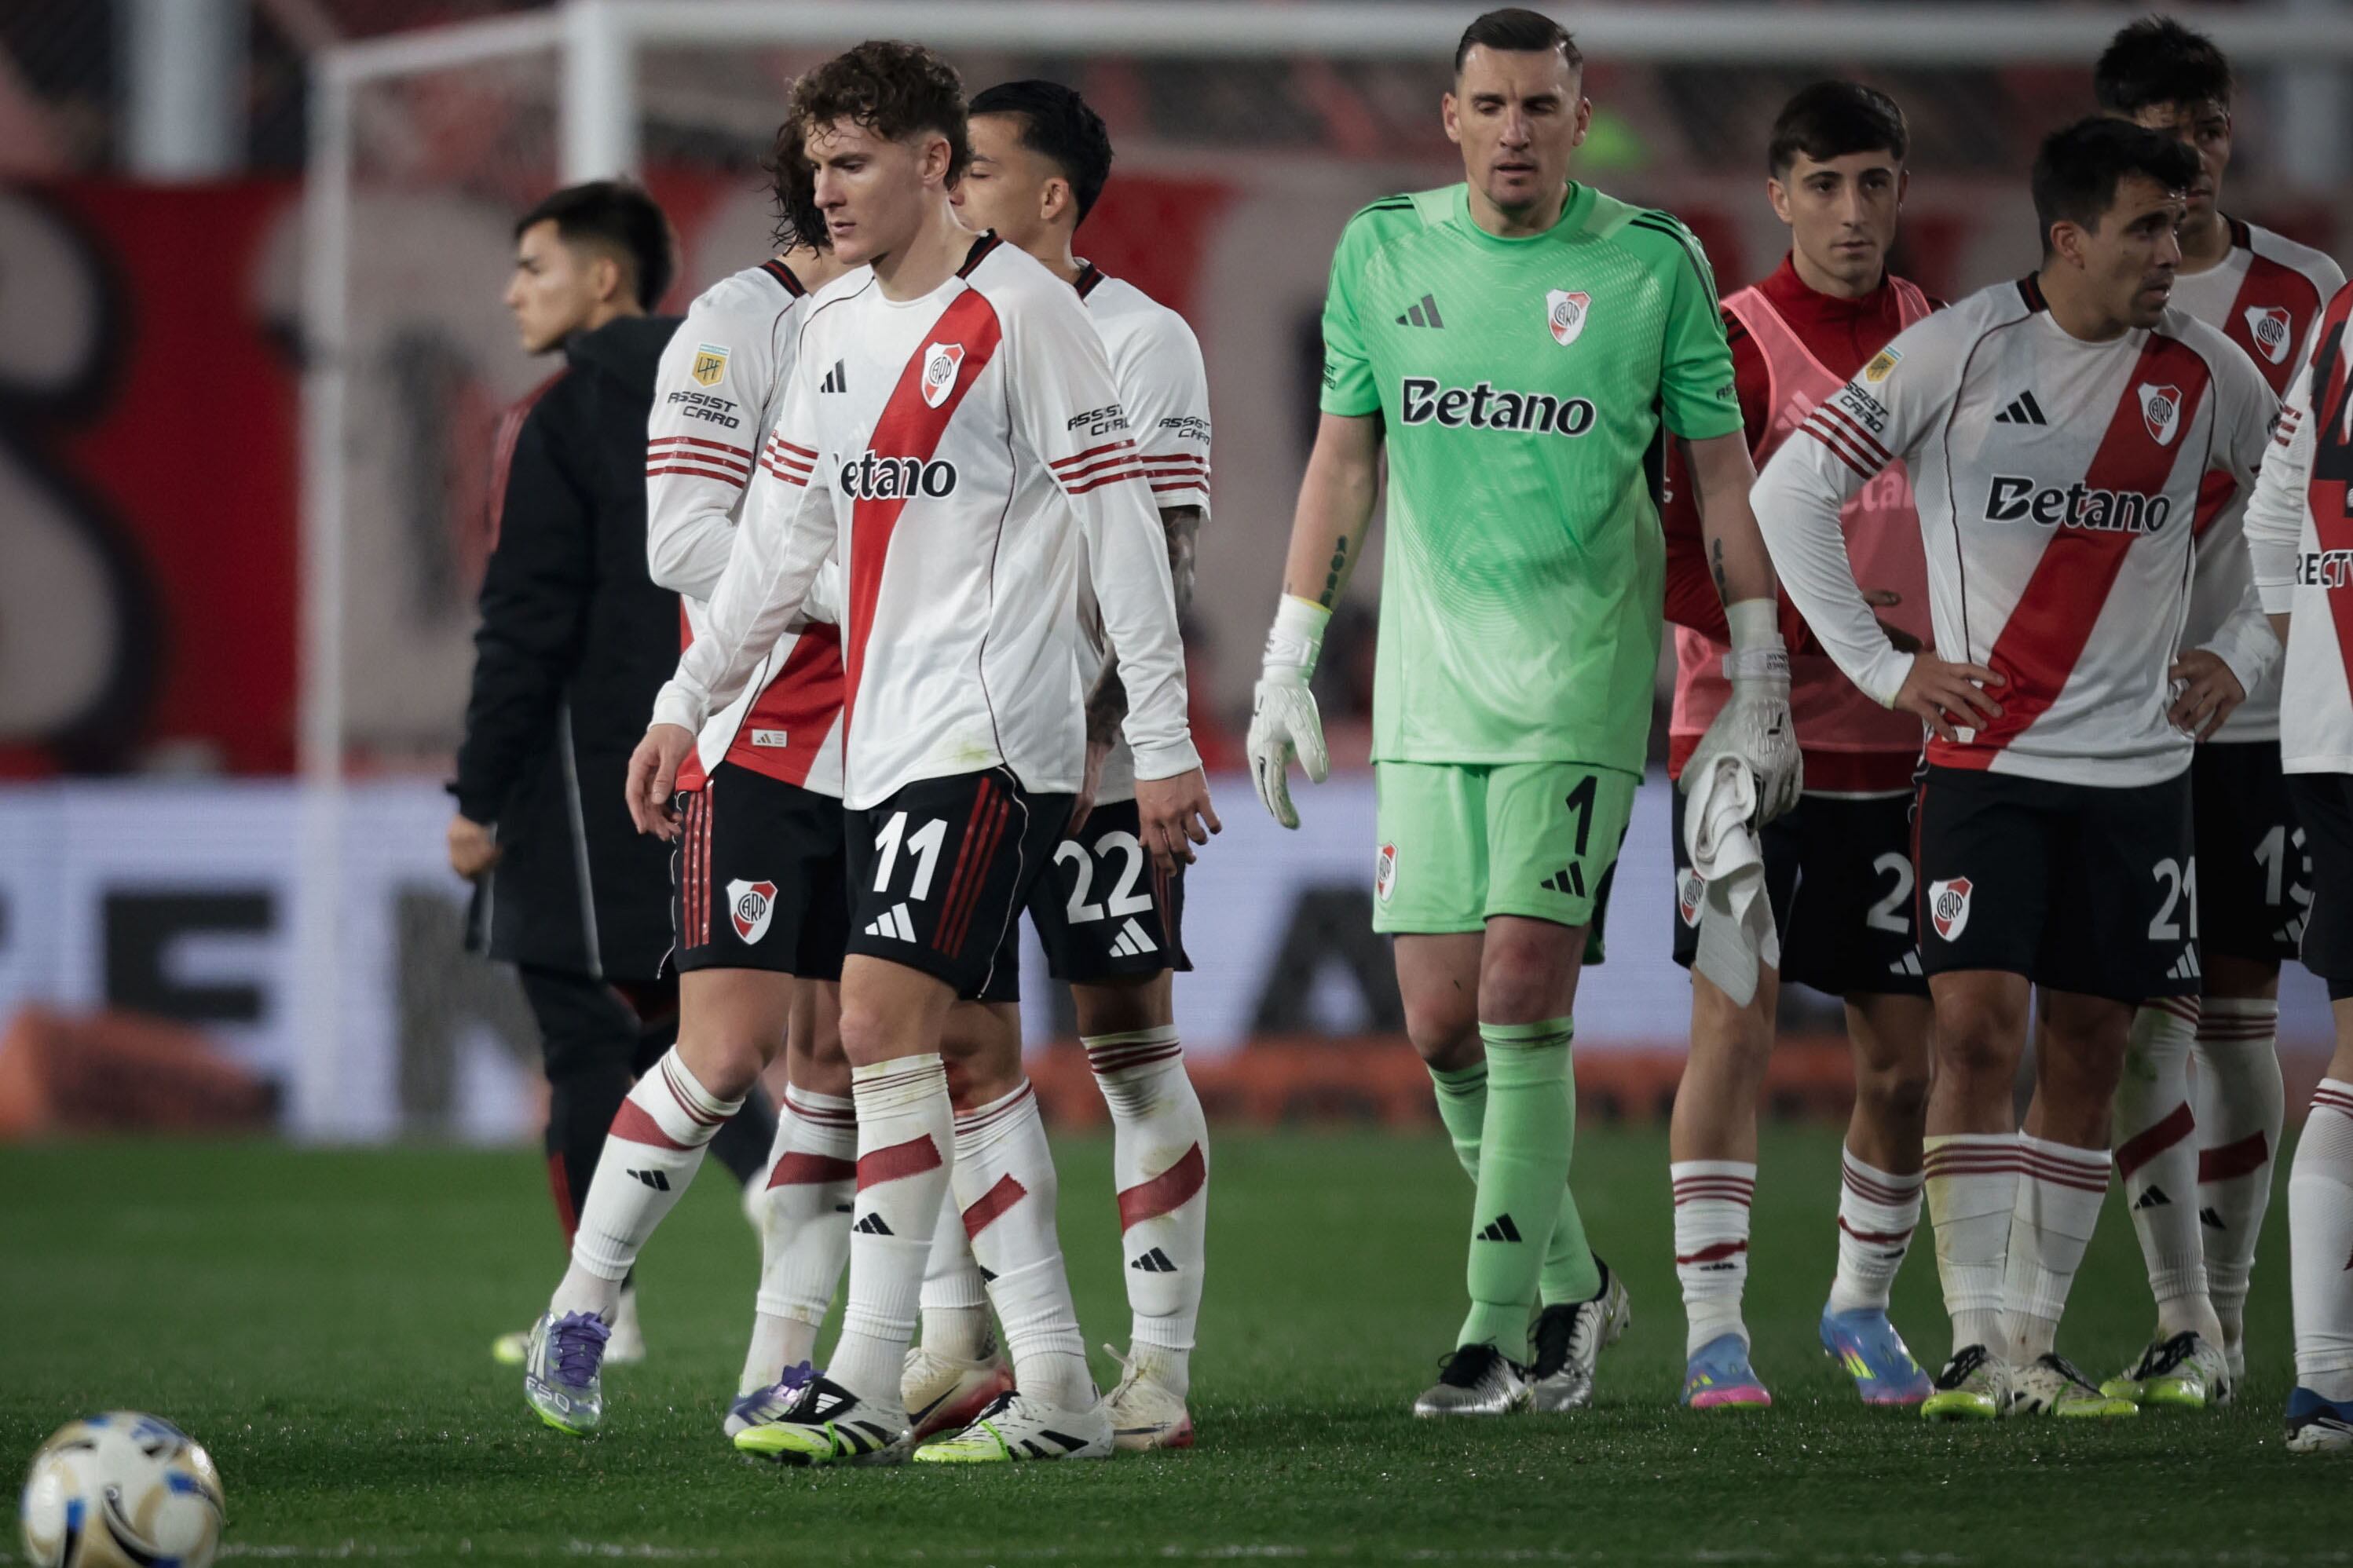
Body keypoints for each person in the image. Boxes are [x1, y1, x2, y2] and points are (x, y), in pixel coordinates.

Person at [545, 40, 1215, 1467]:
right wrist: (685, 703)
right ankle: (1059, 1393)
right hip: (877, 741)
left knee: (872, 1028)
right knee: (959, 1051)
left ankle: (859, 1372)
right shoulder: (838, 328)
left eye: (856, 164)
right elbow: (776, 551)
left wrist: (1160, 743)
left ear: (931, 166)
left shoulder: (1028, 317)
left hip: (994, 735)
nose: (827, 192)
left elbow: (1123, 536)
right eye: (818, 166)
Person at [1246, 6, 1802, 1418]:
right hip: (1429, 693)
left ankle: (1494, 1336)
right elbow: (1341, 465)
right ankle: (1580, 1283)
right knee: (1436, 1027)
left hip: (1577, 687)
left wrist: (1761, 667)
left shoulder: (1650, 263)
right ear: (1450, 118)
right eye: (1489, 105)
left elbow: (1720, 480)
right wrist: (1287, 658)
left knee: (1515, 1001)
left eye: (1541, 107)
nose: (1514, 131)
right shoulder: (1383, 249)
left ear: (1580, 114)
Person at [1753, 116, 2281, 1421]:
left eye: (2179, 225)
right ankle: (1980, 1340)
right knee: (1977, 1033)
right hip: (1984, 763)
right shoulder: (1958, 349)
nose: (2173, 252)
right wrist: (1886, 669)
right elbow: (1785, 499)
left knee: (2092, 1048)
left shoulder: (2211, 377)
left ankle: (2036, 1342)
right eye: (2148, 228)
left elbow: (2304, 516)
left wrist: (2241, 654)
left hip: (2140, 773)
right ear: (2069, 236)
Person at [907, 78, 1214, 1453]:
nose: (950, 190)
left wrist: (1124, 739)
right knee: (926, 1045)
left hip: (1083, 765)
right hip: (946, 753)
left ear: (1050, 196)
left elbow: (1160, 553)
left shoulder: (1144, 339)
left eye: (972, 171)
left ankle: (1154, 1370)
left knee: (1130, 1048)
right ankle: (950, 1343)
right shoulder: (923, 325)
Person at [452, 181, 774, 1372]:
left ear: (603, 278)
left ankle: (605, 1306)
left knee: (584, 1030)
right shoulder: (737, 383)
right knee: (685, 1020)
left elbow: (524, 624)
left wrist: (479, 794)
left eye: (533, 265)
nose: (512, 289)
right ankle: (772, 1177)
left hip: (587, 769)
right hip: (728, 740)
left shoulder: (557, 412)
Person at [1656, 82, 1937, 1411]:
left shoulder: (1941, 338)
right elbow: (1673, 546)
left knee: (1905, 1056)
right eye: (1822, 185)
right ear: (1778, 196)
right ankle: (1714, 1328)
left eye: (1873, 182)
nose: (1849, 212)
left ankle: (1861, 1307)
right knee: (1736, 1025)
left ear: (1900, 192)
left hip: (1896, 752)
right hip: (1742, 747)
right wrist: (1779, 651)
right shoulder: (1738, 342)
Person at [2088, 16, 2347, 1409]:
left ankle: (2226, 1322)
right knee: (2137, 1024)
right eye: (2165, 130)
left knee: (2240, 1014)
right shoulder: (2083, 295)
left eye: (2212, 128)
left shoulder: (2307, 294)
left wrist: (2262, 653)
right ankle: (2183, 1312)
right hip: (2114, 718)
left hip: (2256, 720)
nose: (2192, 158)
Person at [632, 130, 862, 1442]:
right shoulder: (734, 326)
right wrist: (858, 589)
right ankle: (588, 1300)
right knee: (735, 1051)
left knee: (881, 1049)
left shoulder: (911, 320)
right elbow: (682, 540)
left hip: (900, 732)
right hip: (767, 731)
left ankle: (820, 1360)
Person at [2241, 274, 2353, 1453]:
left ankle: (2327, 1379)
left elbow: (2276, 519)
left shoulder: (2341, 314)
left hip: (2327, 734)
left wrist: (2314, 658)